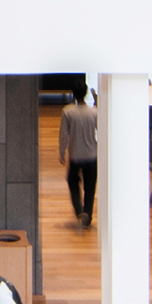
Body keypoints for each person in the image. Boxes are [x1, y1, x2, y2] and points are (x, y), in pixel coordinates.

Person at [59, 87, 99, 227]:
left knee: (73, 182)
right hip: (92, 155)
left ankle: (79, 210)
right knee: (90, 187)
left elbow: (63, 134)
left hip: (75, 154)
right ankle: (87, 215)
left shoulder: (68, 111)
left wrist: (62, 152)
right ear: (86, 93)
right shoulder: (94, 112)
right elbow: (101, 132)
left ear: (74, 94)